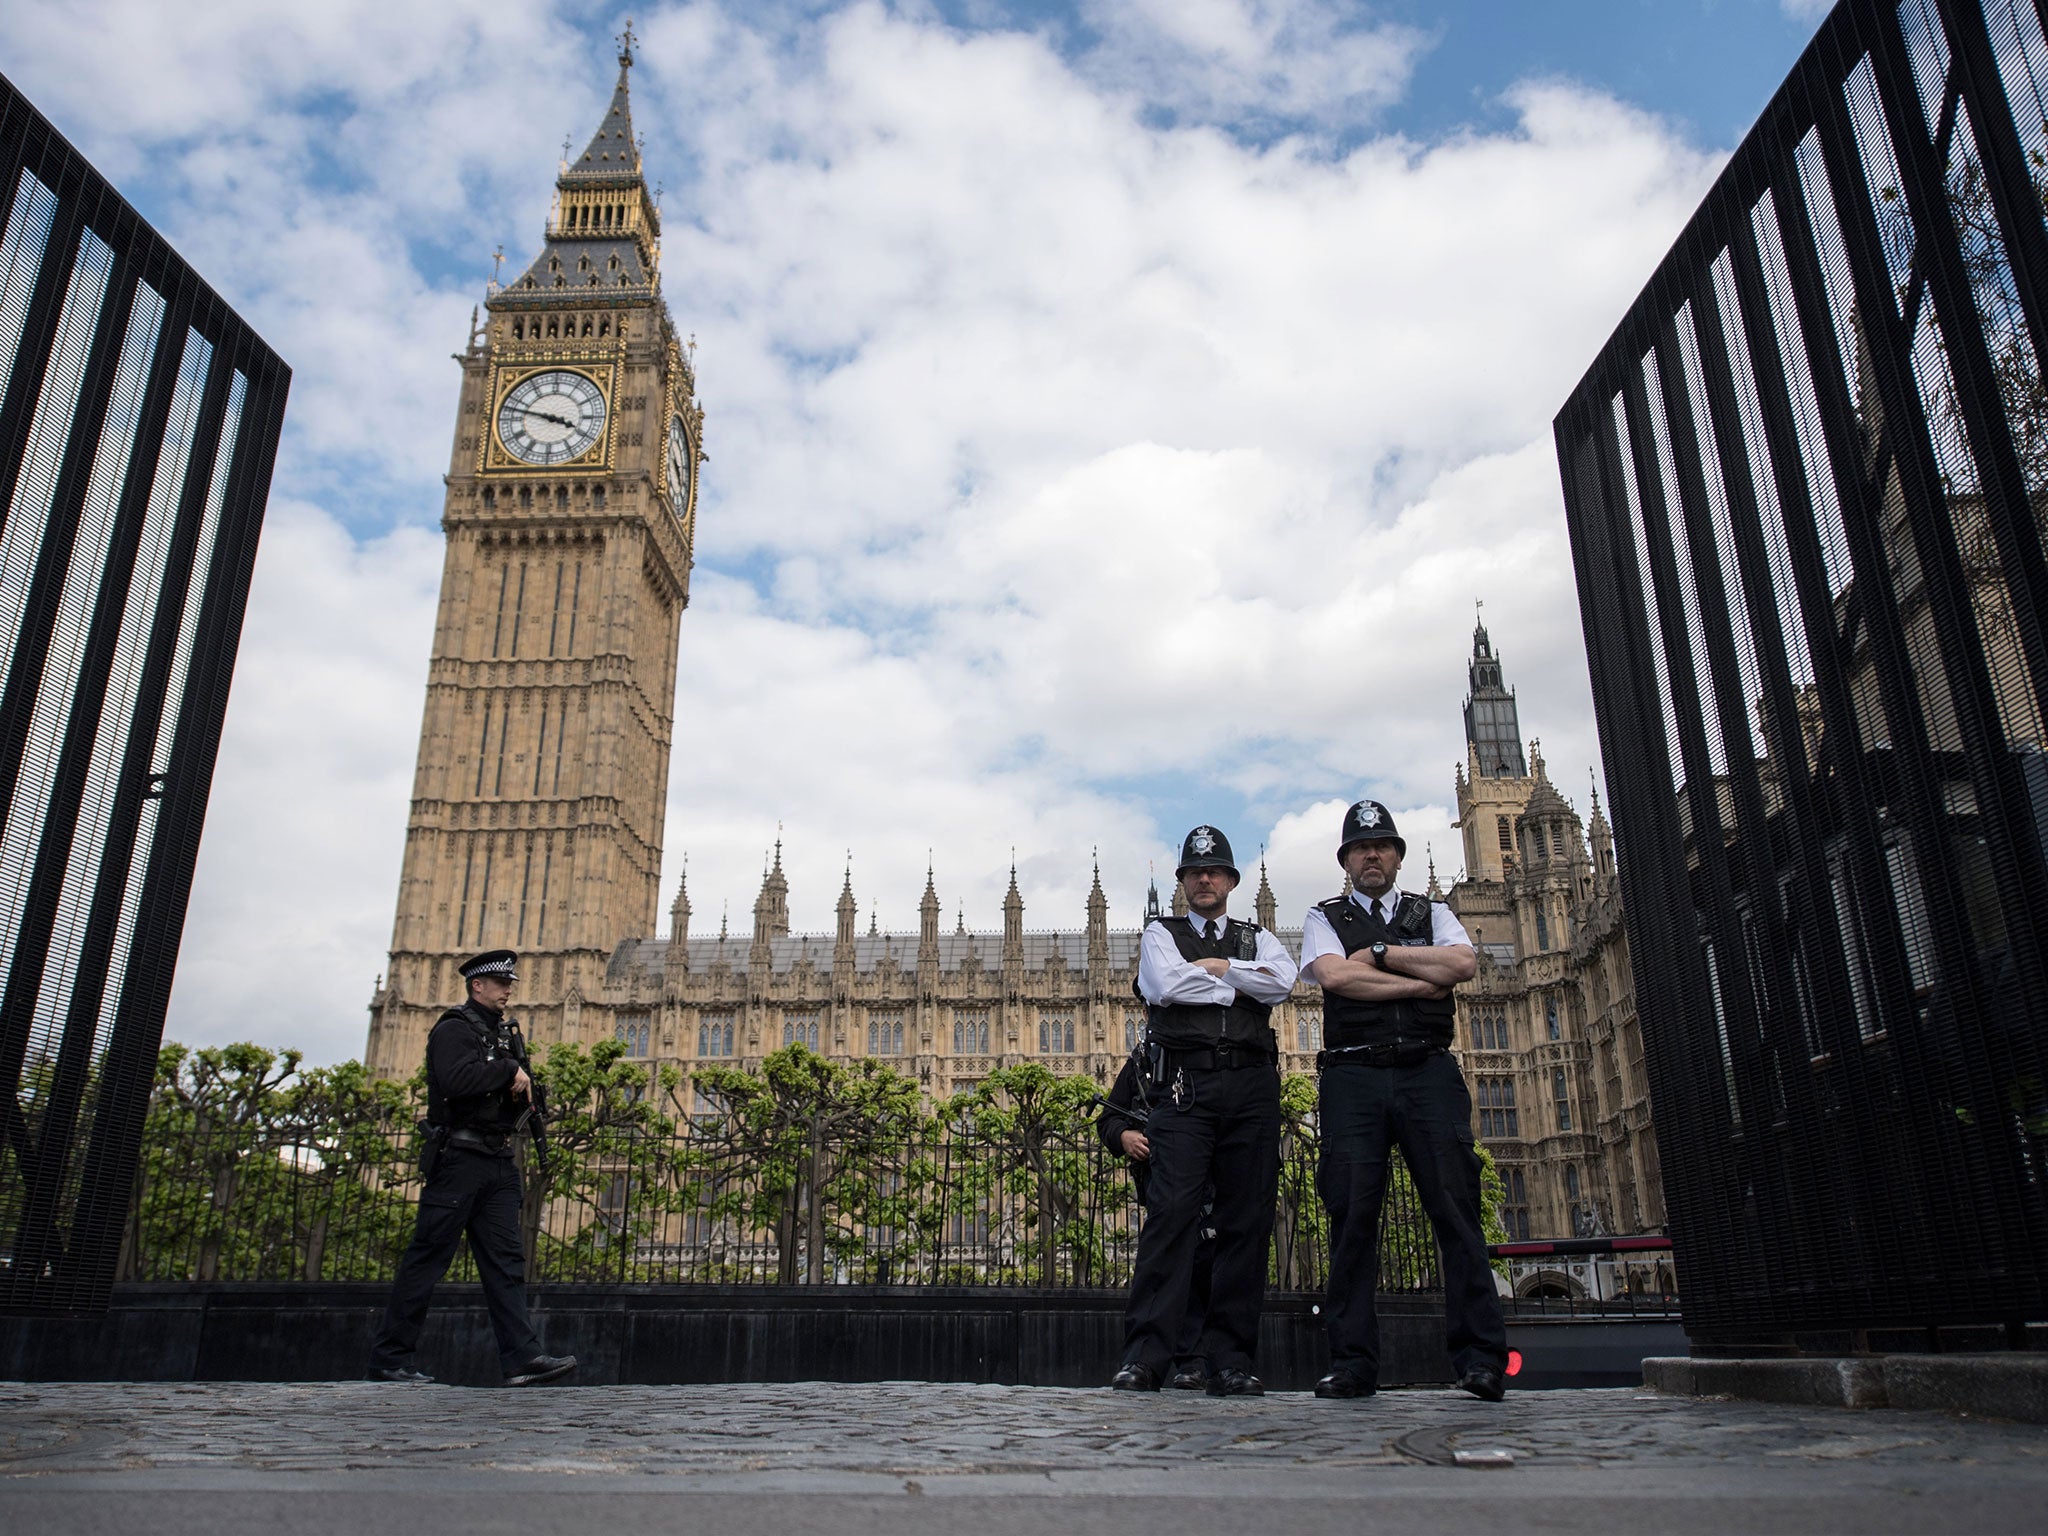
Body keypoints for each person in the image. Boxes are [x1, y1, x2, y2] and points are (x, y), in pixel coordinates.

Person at [1301, 799, 1508, 1402]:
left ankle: (1480, 1360)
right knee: (1352, 1218)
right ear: (1346, 860)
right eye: (1361, 847)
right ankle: (1353, 1363)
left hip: (1426, 1072)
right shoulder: (1324, 916)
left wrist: (1384, 955)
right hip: (1352, 1076)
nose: (1372, 854)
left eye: (1382, 846)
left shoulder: (1434, 911)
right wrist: (1425, 980)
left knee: (1456, 1212)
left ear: (1396, 856)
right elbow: (1336, 978)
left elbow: (1465, 962)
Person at [1111, 826, 1298, 1396]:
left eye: (1214, 871)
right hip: (1185, 1090)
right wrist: (1236, 979)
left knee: (1246, 1222)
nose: (1205, 879)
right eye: (1195, 872)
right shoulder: (1159, 935)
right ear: (1183, 882)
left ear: (1232, 881)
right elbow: (1166, 987)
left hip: (1250, 1086)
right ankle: (1147, 1356)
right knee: (1170, 1217)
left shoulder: (1257, 935)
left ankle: (1231, 1359)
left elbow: (1283, 983)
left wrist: (1217, 971)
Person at [367, 949, 577, 1387]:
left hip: (498, 1161)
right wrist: (506, 1071)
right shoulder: (453, 1029)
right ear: (477, 985)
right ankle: (391, 1358)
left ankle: (522, 1357)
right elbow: (457, 1080)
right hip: (458, 1160)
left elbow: (507, 1084)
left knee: (506, 1262)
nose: (508, 991)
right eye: (501, 984)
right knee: (428, 1258)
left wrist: (526, 1091)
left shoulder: (503, 1035)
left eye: (510, 984)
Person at [1097, 1048, 1216, 1390]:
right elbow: (1108, 1119)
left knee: (1210, 1262)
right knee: (1174, 1262)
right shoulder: (1142, 1063)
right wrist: (1125, 1136)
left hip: (1211, 1176)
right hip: (1163, 1180)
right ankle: (1180, 1360)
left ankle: (1210, 1359)